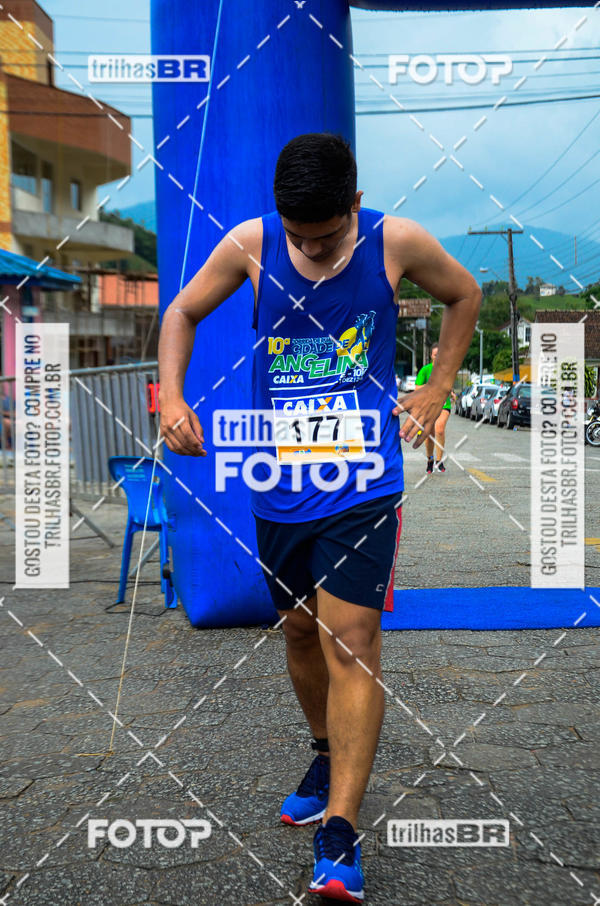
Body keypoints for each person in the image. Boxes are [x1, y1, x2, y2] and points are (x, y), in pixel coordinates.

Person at [157, 133, 481, 903]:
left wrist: (437, 386)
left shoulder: (395, 242)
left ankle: (340, 832)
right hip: (278, 478)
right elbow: (181, 312)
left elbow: (464, 295)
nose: (311, 250)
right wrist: (171, 397)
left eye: (327, 238)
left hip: (363, 479)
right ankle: (324, 751)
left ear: (355, 207)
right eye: (298, 237)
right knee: (299, 631)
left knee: (352, 640)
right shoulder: (250, 244)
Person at [415, 343, 456, 473]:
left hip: (444, 404)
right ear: (431, 356)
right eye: (435, 354)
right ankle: (430, 459)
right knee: (429, 434)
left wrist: (452, 392)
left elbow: (448, 385)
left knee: (439, 429)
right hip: (429, 407)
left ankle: (439, 460)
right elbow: (417, 388)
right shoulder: (425, 370)